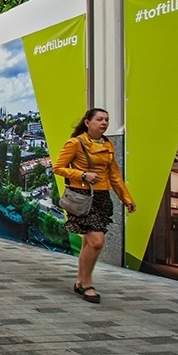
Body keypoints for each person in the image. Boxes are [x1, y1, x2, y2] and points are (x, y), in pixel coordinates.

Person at [52, 108, 137, 304]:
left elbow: (115, 176)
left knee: (89, 241)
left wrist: (127, 199)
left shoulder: (107, 144)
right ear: (87, 122)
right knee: (97, 241)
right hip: (81, 198)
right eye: (99, 119)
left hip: (101, 197)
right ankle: (87, 283)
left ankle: (80, 281)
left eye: (107, 119)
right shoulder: (76, 143)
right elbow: (58, 168)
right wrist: (83, 175)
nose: (104, 123)